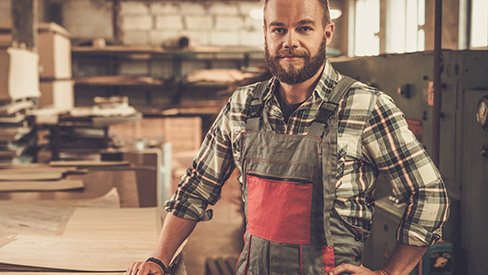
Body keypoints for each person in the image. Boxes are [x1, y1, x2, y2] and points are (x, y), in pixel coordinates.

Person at [127, 0, 449, 274]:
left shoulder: (365, 106)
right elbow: (196, 186)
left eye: (304, 28)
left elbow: (428, 194)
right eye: (278, 29)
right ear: (265, 34)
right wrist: (159, 258)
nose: (289, 41)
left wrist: (388, 273)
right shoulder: (242, 105)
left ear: (327, 32)